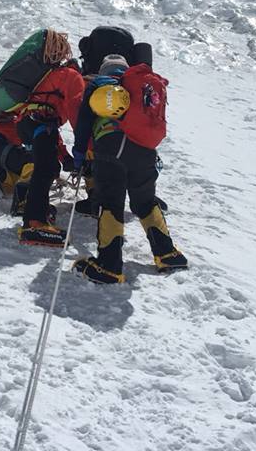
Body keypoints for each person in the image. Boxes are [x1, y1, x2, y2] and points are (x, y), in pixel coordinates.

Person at [71, 54, 187, 283]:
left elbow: (83, 123)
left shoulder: (98, 84)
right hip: (144, 151)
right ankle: (168, 254)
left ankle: (108, 266)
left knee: (110, 203)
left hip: (110, 148)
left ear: (104, 69)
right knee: (145, 201)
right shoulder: (140, 87)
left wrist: (79, 157)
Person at [14, 31, 85, 247]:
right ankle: (35, 222)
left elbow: (53, 133)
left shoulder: (49, 77)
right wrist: (84, 148)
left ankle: (37, 211)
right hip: (40, 122)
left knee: (48, 165)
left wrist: (64, 157)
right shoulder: (72, 77)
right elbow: (76, 113)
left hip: (30, 123)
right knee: (44, 170)